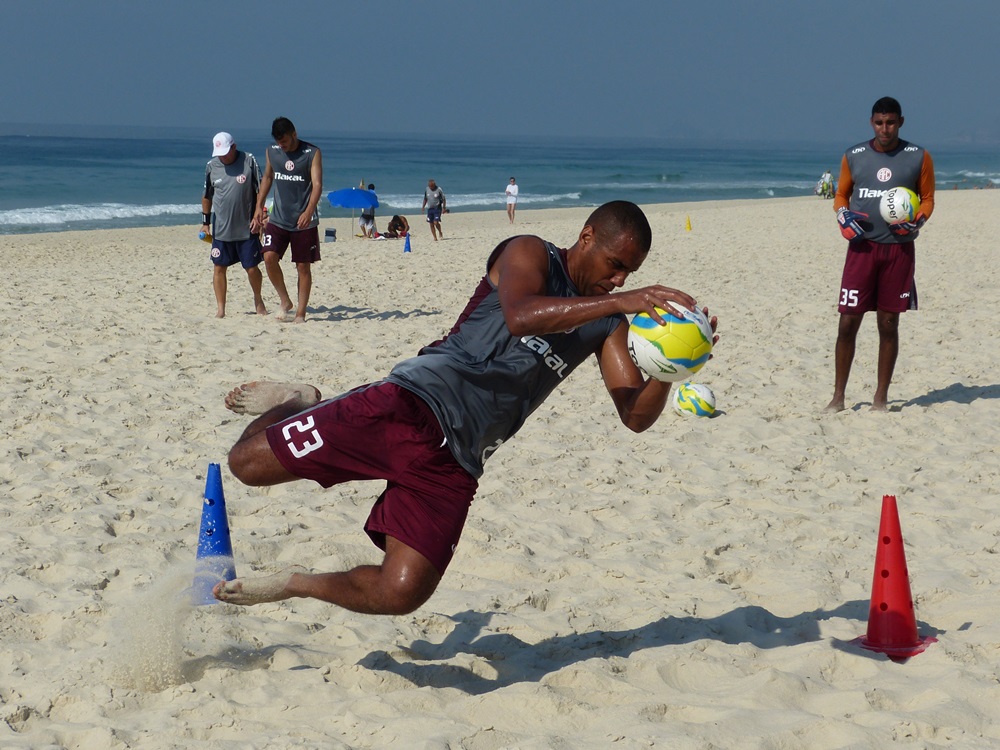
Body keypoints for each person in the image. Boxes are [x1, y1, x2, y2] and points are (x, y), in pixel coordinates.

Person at [213, 201, 718, 613]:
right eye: (616, 265)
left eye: (630, 273)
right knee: (245, 465)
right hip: (412, 405)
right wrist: (618, 303)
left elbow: (634, 416)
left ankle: (294, 584)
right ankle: (299, 400)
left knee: (402, 591)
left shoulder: (607, 324)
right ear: (587, 237)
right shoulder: (531, 253)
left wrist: (673, 369)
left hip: (458, 458)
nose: (619, 280)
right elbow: (520, 316)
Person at [827, 96, 935, 412]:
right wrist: (842, 216)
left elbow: (927, 199)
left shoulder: (918, 156)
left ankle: (880, 398)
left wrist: (919, 220)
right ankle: (837, 397)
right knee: (848, 322)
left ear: (900, 122)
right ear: (871, 123)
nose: (884, 129)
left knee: (888, 324)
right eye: (878, 123)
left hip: (899, 250)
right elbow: (841, 194)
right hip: (861, 249)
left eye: (890, 122)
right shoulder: (854, 155)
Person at [253, 117, 323, 324]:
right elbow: (267, 177)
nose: (283, 146)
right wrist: (259, 205)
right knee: (268, 258)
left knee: (303, 267)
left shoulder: (312, 153)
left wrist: (309, 210)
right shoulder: (272, 152)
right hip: (278, 218)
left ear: (294, 134)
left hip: (303, 220)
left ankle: (301, 313)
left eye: (286, 142)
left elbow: (317, 184)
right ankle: (285, 300)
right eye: (279, 142)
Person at [201, 132, 267, 318]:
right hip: (222, 230)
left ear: (234, 147)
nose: (222, 156)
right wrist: (205, 223)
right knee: (219, 268)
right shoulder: (211, 166)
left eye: (225, 152)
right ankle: (221, 308)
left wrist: (261, 214)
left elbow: (261, 190)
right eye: (219, 152)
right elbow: (207, 196)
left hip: (247, 228)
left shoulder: (249, 161)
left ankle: (258, 298)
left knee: (252, 268)